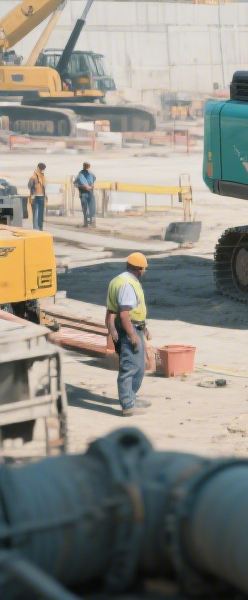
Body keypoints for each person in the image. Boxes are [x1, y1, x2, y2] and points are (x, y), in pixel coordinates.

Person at [105, 252, 152, 416]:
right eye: (144, 269)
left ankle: (131, 397)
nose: (145, 272)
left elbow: (110, 310)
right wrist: (132, 336)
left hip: (132, 327)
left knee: (138, 367)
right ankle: (127, 404)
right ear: (139, 269)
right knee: (130, 368)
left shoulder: (118, 280)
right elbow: (124, 314)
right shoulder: (127, 285)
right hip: (128, 328)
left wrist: (144, 328)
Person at [75, 162, 97, 228]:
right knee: (87, 208)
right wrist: (85, 186)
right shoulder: (81, 174)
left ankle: (89, 222)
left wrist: (88, 187)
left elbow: (93, 182)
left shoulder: (88, 174)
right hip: (85, 193)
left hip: (87, 192)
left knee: (89, 208)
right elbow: (76, 184)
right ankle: (88, 222)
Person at [26, 163, 46, 230]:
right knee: (36, 213)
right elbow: (29, 186)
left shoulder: (42, 176)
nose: (42, 170)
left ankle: (40, 227)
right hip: (35, 197)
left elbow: (43, 186)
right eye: (41, 169)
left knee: (41, 213)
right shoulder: (33, 176)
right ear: (38, 168)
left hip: (42, 196)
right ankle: (36, 228)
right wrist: (34, 187)